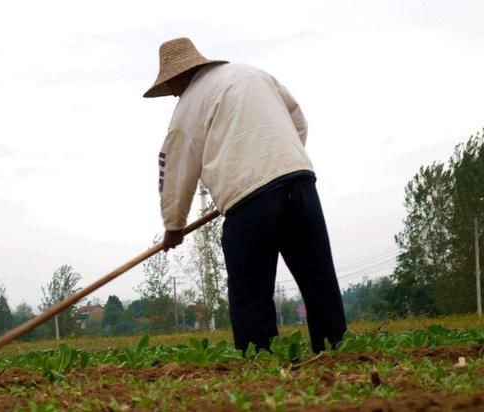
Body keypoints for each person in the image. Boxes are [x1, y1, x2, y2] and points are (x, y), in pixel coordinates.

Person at [143, 37, 347, 353]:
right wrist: (280, 164)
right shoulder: (252, 73)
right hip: (299, 182)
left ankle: (261, 364)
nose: (171, 92)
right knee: (319, 278)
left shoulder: (188, 106)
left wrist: (173, 225)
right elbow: (298, 122)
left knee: (250, 292)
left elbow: (175, 169)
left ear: (178, 77)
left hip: (250, 202)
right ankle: (337, 349)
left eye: (170, 86)